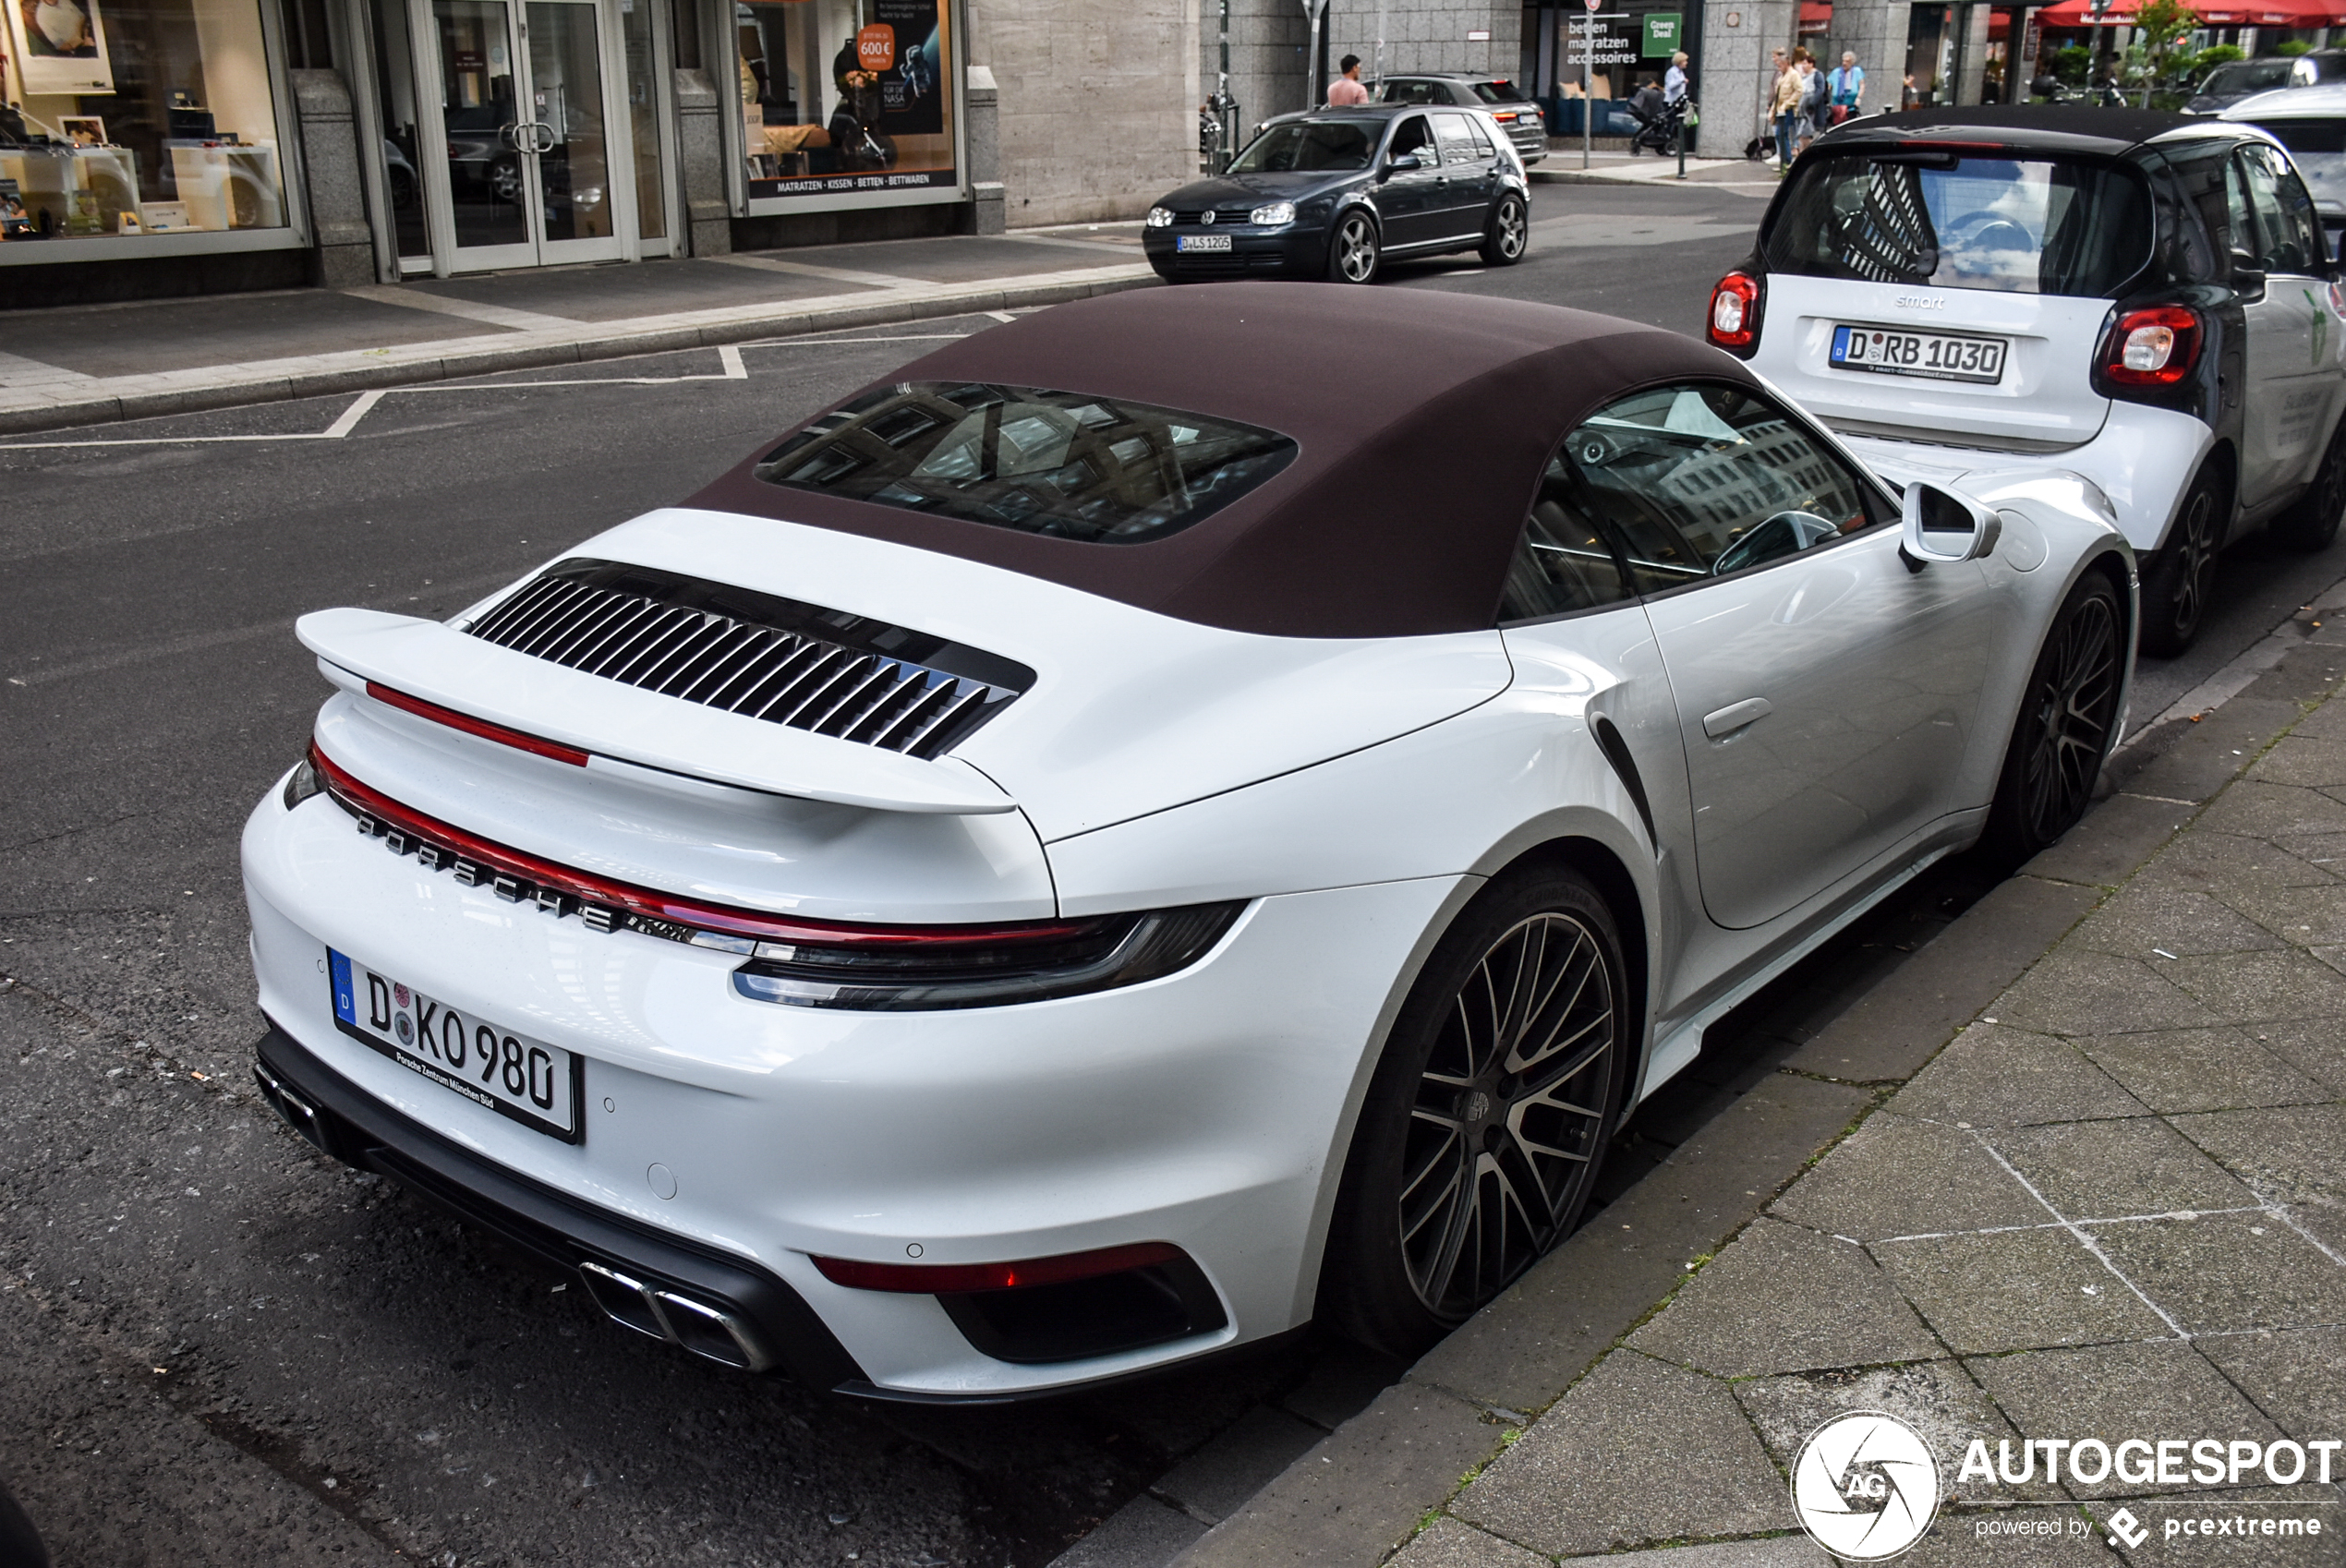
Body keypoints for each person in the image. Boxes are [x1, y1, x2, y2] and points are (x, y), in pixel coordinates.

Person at [1772, 47, 1803, 168]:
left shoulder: (1794, 75)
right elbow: (1778, 95)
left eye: (1780, 65)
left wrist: (1787, 104)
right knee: (1780, 134)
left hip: (1787, 109)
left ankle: (1787, 160)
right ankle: (1784, 160)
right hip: (1780, 109)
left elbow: (1799, 90)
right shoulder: (1782, 77)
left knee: (1782, 133)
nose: (1778, 68)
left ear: (1785, 64)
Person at [1827, 51, 1863, 124]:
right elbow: (1828, 86)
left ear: (1852, 62)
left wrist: (1858, 98)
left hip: (1851, 107)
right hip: (1837, 107)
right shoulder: (1836, 72)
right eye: (1843, 61)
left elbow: (1862, 85)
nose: (1844, 63)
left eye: (1847, 61)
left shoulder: (1857, 71)